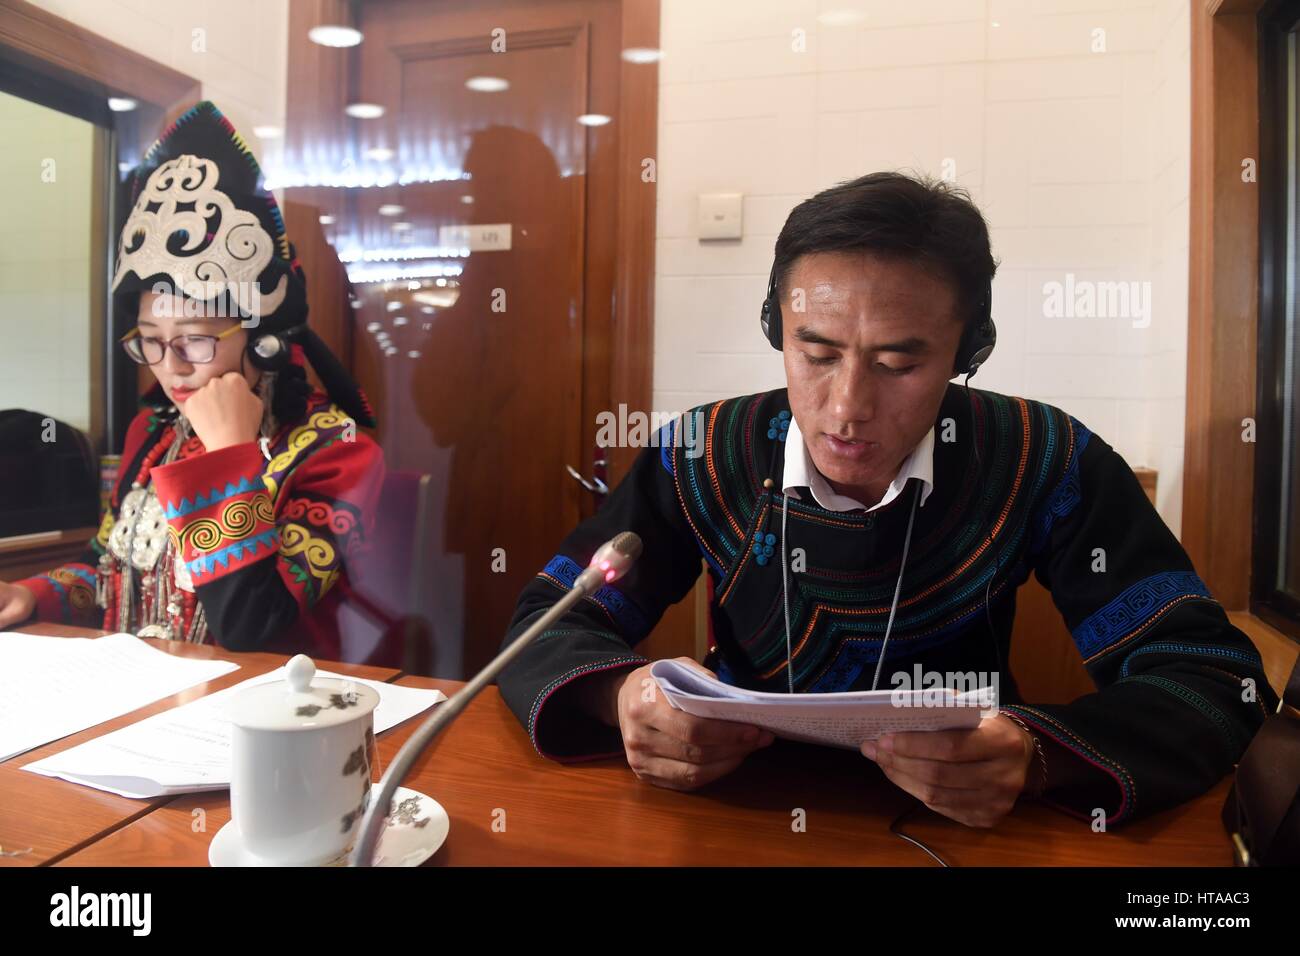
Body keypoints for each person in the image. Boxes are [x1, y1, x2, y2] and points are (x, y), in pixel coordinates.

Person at [495, 171, 1278, 829]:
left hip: (967, 818)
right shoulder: (701, 452)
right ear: (777, 329)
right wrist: (618, 695)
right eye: (817, 353)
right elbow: (546, 622)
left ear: (967, 350)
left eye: (898, 364)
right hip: (731, 809)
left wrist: (1037, 755)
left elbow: (1213, 677)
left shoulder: (1042, 458)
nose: (846, 408)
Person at [0, 101, 384, 659]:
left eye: (195, 339)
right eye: (150, 340)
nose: (171, 364)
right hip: (142, 705)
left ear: (264, 338)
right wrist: (31, 594)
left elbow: (250, 621)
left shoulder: (339, 453)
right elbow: (109, 570)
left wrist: (229, 455)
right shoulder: (151, 433)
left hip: (263, 717)